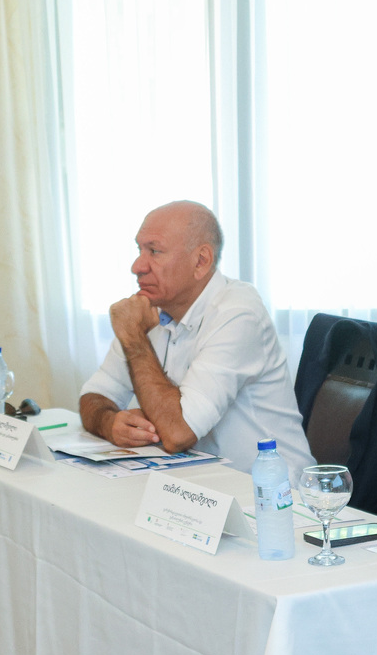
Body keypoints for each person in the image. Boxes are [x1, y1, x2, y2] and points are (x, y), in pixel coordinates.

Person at [80, 201, 312, 477]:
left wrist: (133, 337)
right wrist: (110, 423)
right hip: (200, 486)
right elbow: (92, 397)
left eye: (154, 251)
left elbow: (178, 433)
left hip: (272, 491)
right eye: (139, 250)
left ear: (201, 261)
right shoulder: (149, 310)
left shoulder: (238, 313)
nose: (137, 266)